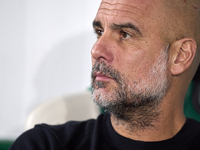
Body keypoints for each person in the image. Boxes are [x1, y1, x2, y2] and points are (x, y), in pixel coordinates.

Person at [10, 0, 200, 149]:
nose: (96, 50)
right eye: (99, 32)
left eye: (125, 34)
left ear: (180, 56)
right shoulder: (43, 144)